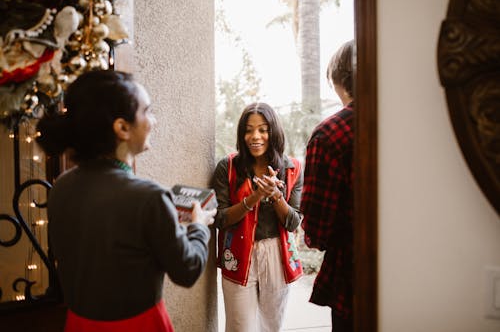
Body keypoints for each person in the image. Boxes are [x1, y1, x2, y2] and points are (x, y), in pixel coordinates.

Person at [36, 70, 216, 332]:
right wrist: (198, 226)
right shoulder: (150, 197)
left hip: (79, 325)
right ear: (122, 128)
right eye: (148, 111)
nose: (153, 121)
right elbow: (187, 270)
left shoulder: (61, 186)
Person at [211, 102, 304, 332]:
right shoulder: (229, 167)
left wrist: (274, 196)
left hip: (276, 253)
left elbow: (293, 222)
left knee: (271, 326)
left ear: (273, 132)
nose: (255, 136)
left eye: (263, 129)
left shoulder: (292, 168)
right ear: (241, 134)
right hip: (239, 253)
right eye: (248, 130)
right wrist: (253, 197)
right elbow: (220, 219)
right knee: (239, 327)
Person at [300, 39, 355, 332]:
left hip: (352, 276)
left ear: (338, 80)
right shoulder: (401, 121)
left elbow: (318, 231)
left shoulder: (330, 134)